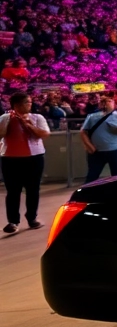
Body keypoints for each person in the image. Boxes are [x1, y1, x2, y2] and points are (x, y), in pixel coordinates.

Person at [0, 92, 51, 233]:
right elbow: (1, 134)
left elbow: (45, 134)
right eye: (26, 102)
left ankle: (32, 218)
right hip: (10, 158)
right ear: (16, 105)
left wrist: (26, 124)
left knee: (33, 189)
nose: (30, 104)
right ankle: (13, 221)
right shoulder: (5, 117)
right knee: (13, 191)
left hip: (34, 157)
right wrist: (8, 122)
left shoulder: (37, 117)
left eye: (30, 102)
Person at [81, 94, 117, 183]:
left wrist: (114, 125)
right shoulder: (92, 116)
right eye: (104, 101)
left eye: (109, 101)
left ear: (114, 104)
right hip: (97, 152)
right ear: (100, 104)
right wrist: (90, 146)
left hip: (116, 150)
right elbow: (83, 132)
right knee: (92, 176)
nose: (107, 103)